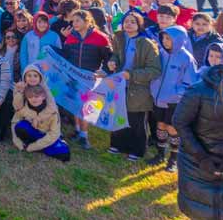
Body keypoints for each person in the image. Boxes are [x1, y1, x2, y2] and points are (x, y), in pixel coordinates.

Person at [172, 64, 223, 220]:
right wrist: (202, 157)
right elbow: (180, 122)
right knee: (195, 206)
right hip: (196, 160)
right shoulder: (199, 90)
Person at [105, 12, 161, 161]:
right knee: (118, 116)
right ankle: (118, 144)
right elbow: (115, 55)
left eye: (132, 22)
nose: (128, 24)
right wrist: (112, 61)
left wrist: (132, 75)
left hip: (139, 89)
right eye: (126, 21)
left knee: (136, 120)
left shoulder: (147, 44)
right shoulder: (119, 38)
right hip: (119, 85)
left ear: (139, 25)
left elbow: (154, 70)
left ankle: (137, 150)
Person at [60, 10, 112, 149]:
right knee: (76, 105)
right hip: (73, 77)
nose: (74, 24)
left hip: (90, 78)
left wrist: (105, 71)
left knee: (86, 108)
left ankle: (84, 136)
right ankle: (78, 131)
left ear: (87, 21)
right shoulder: (71, 37)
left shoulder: (100, 37)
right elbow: (65, 56)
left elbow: (109, 58)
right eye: (73, 21)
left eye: (77, 21)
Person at [149, 26, 199, 171]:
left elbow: (190, 83)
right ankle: (160, 154)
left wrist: (174, 93)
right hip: (158, 99)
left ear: (179, 40)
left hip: (174, 101)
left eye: (169, 39)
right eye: (164, 38)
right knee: (160, 125)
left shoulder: (186, 58)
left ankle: (173, 159)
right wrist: (153, 88)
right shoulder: (161, 54)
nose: (165, 41)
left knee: (172, 128)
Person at [12, 85, 70, 161]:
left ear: (44, 97)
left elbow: (53, 134)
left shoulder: (52, 111)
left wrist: (32, 147)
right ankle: (37, 145)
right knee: (20, 126)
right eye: (30, 97)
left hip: (46, 135)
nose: (33, 99)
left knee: (65, 154)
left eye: (36, 96)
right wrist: (17, 143)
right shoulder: (24, 109)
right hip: (33, 133)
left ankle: (39, 146)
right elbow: (15, 116)